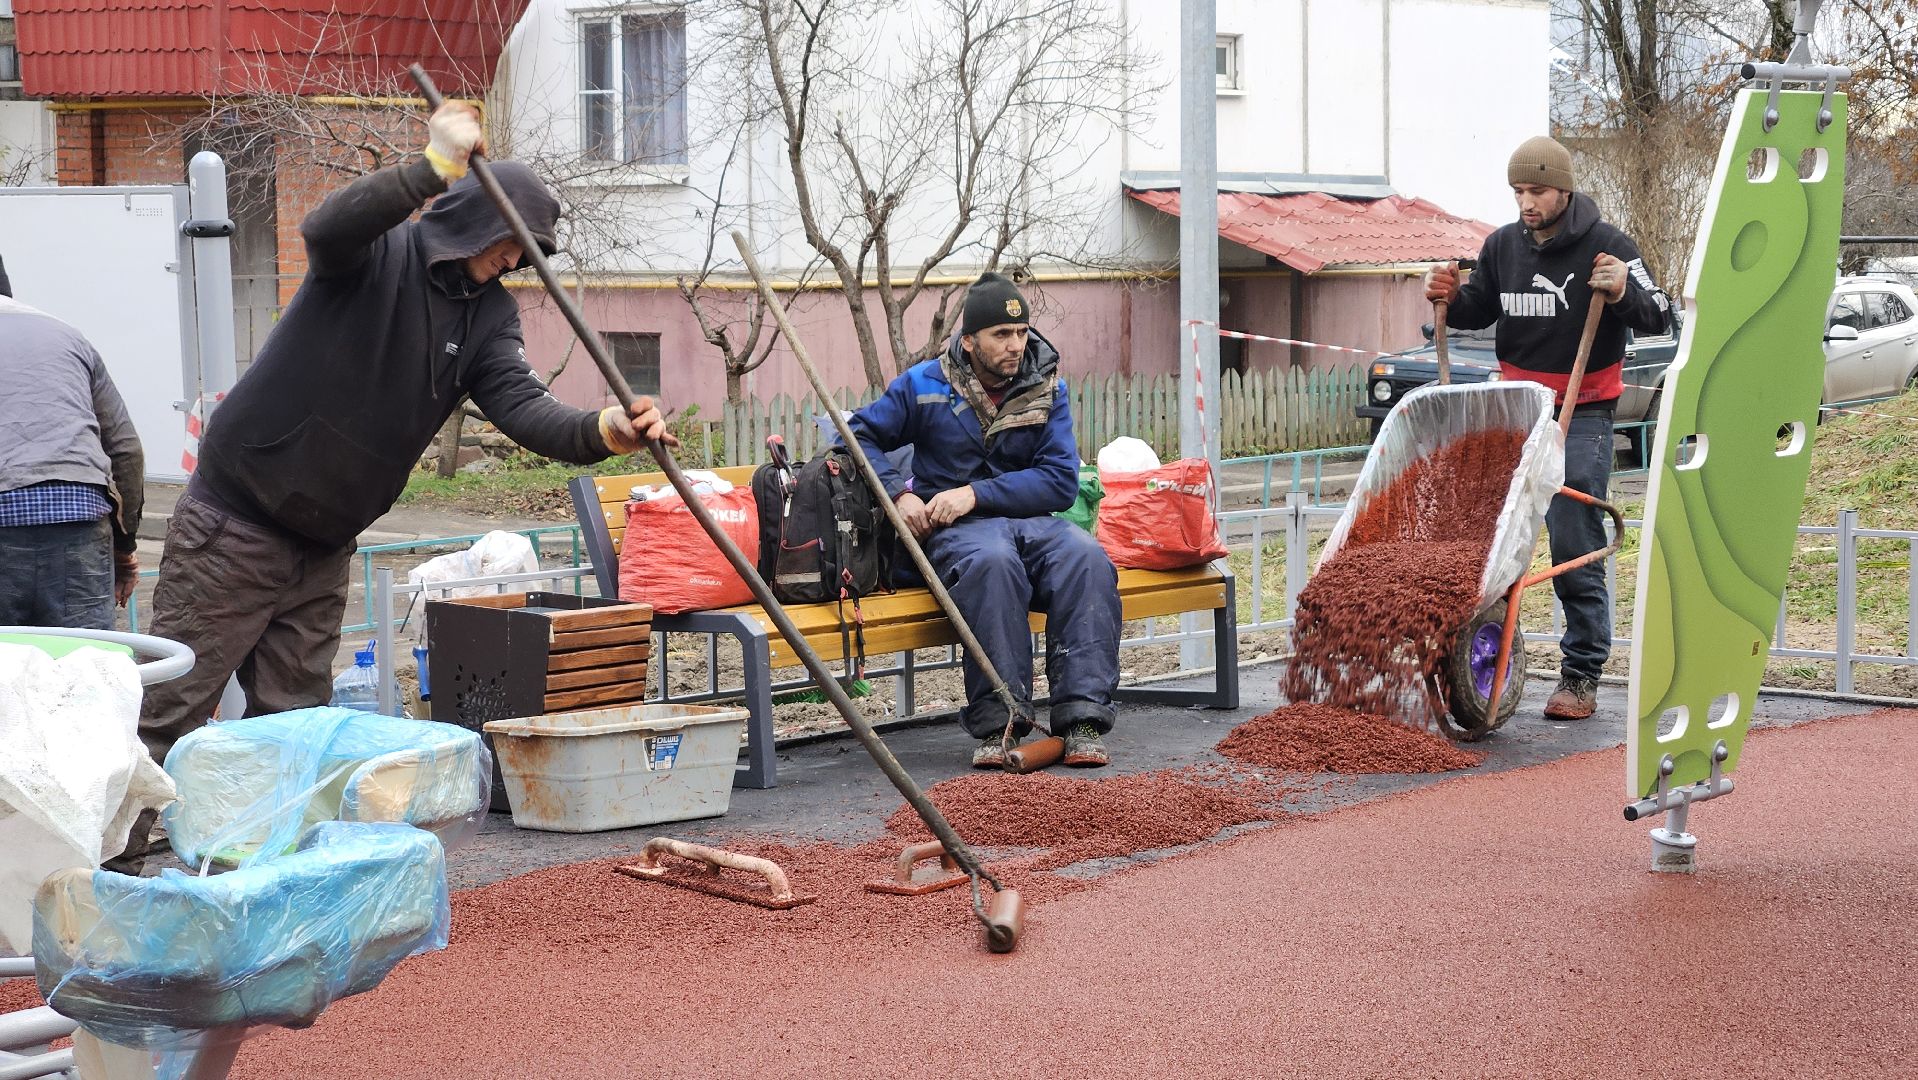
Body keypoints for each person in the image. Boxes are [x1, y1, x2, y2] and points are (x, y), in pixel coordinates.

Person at [134, 102, 672, 794]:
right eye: (513, 241)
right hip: (236, 523)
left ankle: (265, 884)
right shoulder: (374, 255)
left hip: (324, 548)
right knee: (166, 714)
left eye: (528, 252)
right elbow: (324, 226)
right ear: (479, 215)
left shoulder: (489, 317)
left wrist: (604, 432)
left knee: (295, 732)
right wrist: (431, 167)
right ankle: (102, 878)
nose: (515, 260)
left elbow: (522, 407)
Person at [1424, 135, 1671, 721]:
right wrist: (1450, 299)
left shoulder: (1608, 245)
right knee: (1488, 530)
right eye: (1517, 192)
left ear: (1563, 189)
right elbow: (1478, 308)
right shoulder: (1503, 246)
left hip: (1582, 408)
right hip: (1520, 408)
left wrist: (1622, 291)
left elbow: (1661, 311)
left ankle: (1582, 673)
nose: (1525, 202)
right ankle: (1474, 647)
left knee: (1571, 532)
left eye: (1536, 191)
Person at [850, 272, 1121, 768]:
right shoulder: (924, 385)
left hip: (1031, 522)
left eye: (1020, 333)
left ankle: (1081, 720)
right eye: (1001, 335)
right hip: (958, 535)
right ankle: (1003, 723)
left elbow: (1061, 482)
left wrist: (976, 493)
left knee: (1087, 557)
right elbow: (858, 436)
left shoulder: (1046, 386)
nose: (1015, 345)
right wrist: (897, 495)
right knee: (992, 564)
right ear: (969, 340)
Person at [0, 279, 145, 630]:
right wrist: (124, 551)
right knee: (84, 667)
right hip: (78, 514)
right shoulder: (67, 336)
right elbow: (125, 450)